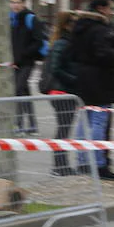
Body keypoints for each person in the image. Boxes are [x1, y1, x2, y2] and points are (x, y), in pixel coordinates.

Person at [73, 0, 114, 181]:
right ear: (101, 9)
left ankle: (82, 161)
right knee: (99, 122)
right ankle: (99, 163)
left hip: (81, 79)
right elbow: (103, 54)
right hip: (100, 80)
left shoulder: (79, 27)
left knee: (83, 121)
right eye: (111, 8)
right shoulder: (101, 30)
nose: (113, 12)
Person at [45, 11, 82, 177]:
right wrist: (74, 79)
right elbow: (56, 69)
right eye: (73, 22)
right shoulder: (62, 43)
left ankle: (62, 164)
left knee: (64, 129)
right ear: (66, 24)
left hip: (65, 90)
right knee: (63, 129)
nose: (76, 25)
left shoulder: (68, 41)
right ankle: (59, 166)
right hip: (62, 91)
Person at [9, 0, 45, 135]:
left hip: (27, 61)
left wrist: (24, 54)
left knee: (18, 89)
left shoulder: (31, 18)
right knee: (24, 91)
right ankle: (32, 125)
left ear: (23, 3)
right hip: (15, 62)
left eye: (18, 2)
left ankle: (18, 124)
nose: (15, 5)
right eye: (12, 2)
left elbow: (39, 41)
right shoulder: (11, 19)